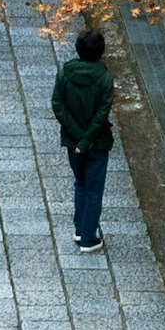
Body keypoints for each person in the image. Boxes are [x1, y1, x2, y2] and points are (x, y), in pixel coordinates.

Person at [51, 26, 116, 251]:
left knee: (80, 183)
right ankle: (89, 237)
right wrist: (86, 139)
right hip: (96, 143)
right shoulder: (105, 78)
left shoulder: (65, 73)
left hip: (72, 142)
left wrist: (78, 138)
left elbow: (58, 105)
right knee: (94, 189)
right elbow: (102, 113)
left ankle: (80, 229)